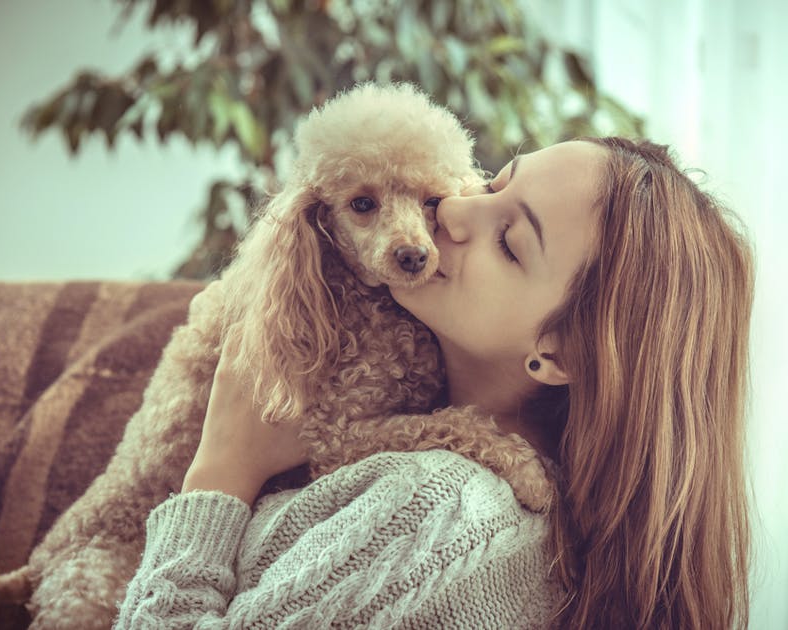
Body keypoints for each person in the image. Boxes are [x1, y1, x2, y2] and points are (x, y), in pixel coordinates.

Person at [113, 138, 753, 629]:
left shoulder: (438, 514)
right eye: (495, 180)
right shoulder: (527, 511)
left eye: (509, 241)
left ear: (560, 355)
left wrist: (223, 469)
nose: (452, 210)